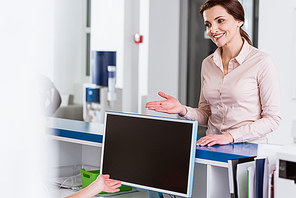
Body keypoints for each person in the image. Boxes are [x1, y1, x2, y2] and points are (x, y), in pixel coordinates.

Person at [145, 0, 281, 146]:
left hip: (250, 150)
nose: (213, 30)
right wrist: (183, 110)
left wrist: (230, 136)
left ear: (239, 21)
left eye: (220, 21)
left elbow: (273, 119)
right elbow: (207, 115)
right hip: (213, 146)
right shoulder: (208, 64)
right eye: (208, 24)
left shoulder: (261, 62)